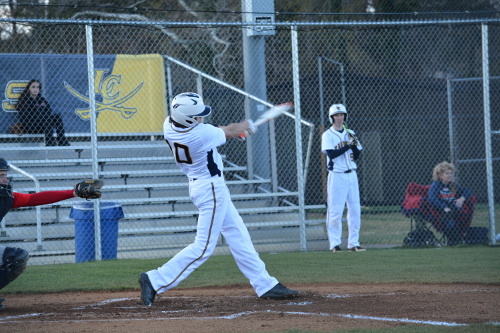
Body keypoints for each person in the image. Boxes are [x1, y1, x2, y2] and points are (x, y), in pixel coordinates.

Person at [138, 92, 300, 306]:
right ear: (187, 118)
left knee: (238, 234)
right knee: (203, 247)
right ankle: (154, 279)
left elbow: (227, 131)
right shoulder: (200, 135)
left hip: (202, 185)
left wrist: (240, 130)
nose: (201, 118)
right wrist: (247, 125)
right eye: (196, 116)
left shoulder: (169, 124)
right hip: (210, 189)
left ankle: (265, 284)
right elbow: (231, 130)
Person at [0, 158, 102, 310]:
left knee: (16, 257)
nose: (5, 179)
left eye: (4, 174)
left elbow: (34, 199)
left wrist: (73, 193)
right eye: (1, 175)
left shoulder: (5, 197)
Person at [321, 104, 365, 253]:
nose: (339, 118)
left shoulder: (350, 132)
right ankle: (334, 244)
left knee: (355, 209)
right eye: (336, 115)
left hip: (352, 174)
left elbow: (357, 155)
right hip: (337, 176)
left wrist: (353, 145)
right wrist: (348, 145)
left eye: (341, 115)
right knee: (335, 210)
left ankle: (354, 243)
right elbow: (331, 154)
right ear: (331, 117)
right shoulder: (327, 135)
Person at [428, 161, 473, 246]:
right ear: (440, 175)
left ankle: (454, 240)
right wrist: (444, 207)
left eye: (451, 173)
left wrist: (461, 199)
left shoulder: (453, 185)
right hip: (442, 208)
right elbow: (432, 199)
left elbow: (467, 191)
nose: (450, 175)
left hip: (453, 208)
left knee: (454, 208)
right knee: (448, 218)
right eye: (447, 173)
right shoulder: (436, 185)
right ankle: (455, 241)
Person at [16, 79, 71, 146]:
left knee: (57, 116)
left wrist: (43, 114)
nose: (36, 89)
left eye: (37, 87)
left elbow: (49, 111)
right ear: (29, 89)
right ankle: (49, 142)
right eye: (33, 87)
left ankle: (61, 141)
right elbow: (25, 117)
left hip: (44, 125)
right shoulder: (25, 101)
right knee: (45, 117)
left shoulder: (42, 100)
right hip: (32, 126)